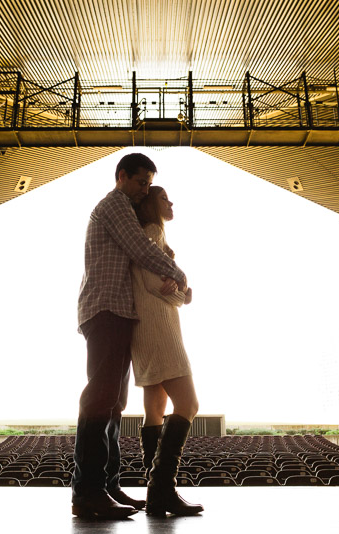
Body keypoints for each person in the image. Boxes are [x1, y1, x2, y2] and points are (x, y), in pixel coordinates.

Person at [72, 153, 188, 520]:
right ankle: (88, 492)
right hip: (105, 309)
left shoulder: (124, 203)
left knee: (114, 403)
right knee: (100, 398)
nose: (145, 190)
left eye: (149, 185)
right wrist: (179, 275)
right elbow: (140, 248)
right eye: (141, 182)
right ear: (122, 177)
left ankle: (107, 485)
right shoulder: (114, 205)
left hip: (120, 311)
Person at [131, 186, 203, 517]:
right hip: (159, 328)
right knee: (188, 403)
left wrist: (177, 291)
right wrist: (183, 295)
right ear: (150, 204)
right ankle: (162, 489)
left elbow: (162, 285)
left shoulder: (152, 234)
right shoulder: (153, 230)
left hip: (145, 328)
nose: (171, 202)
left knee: (155, 409)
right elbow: (152, 285)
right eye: (164, 198)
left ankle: (156, 491)